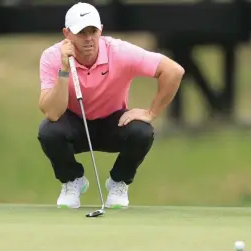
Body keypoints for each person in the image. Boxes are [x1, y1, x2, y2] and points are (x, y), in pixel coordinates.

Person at [37, 2, 184, 209]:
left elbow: (173, 71)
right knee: (48, 131)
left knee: (142, 132)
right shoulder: (52, 57)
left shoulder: (119, 52)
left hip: (113, 122)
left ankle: (118, 182)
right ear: (67, 34)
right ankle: (72, 181)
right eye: (81, 33)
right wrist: (64, 69)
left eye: (93, 31)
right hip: (74, 124)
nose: (88, 38)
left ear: (101, 30)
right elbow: (52, 113)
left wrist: (151, 112)